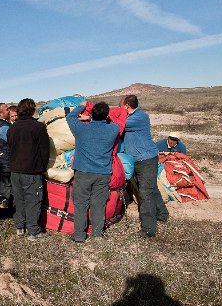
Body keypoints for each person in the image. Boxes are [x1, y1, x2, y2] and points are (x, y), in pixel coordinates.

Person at [66, 101, 120, 242]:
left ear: (92, 114)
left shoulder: (81, 129)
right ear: (106, 115)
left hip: (83, 172)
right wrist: (94, 118)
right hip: (103, 173)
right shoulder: (113, 130)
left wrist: (83, 106)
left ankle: (79, 235)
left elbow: (70, 117)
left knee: (80, 203)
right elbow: (113, 121)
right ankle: (97, 234)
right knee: (99, 203)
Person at [120, 94, 169, 237]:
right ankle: (162, 214)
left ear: (127, 106)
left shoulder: (139, 117)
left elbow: (118, 124)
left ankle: (148, 229)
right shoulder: (133, 116)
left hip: (146, 159)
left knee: (145, 192)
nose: (119, 107)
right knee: (151, 188)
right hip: (137, 159)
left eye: (121, 105)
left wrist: (92, 119)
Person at [7, 98, 50, 240]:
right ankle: (34, 232)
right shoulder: (38, 127)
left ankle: (20, 227)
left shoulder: (12, 127)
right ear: (32, 110)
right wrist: (42, 167)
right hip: (31, 171)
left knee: (19, 199)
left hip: (15, 171)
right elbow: (45, 150)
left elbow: (10, 148)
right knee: (33, 200)